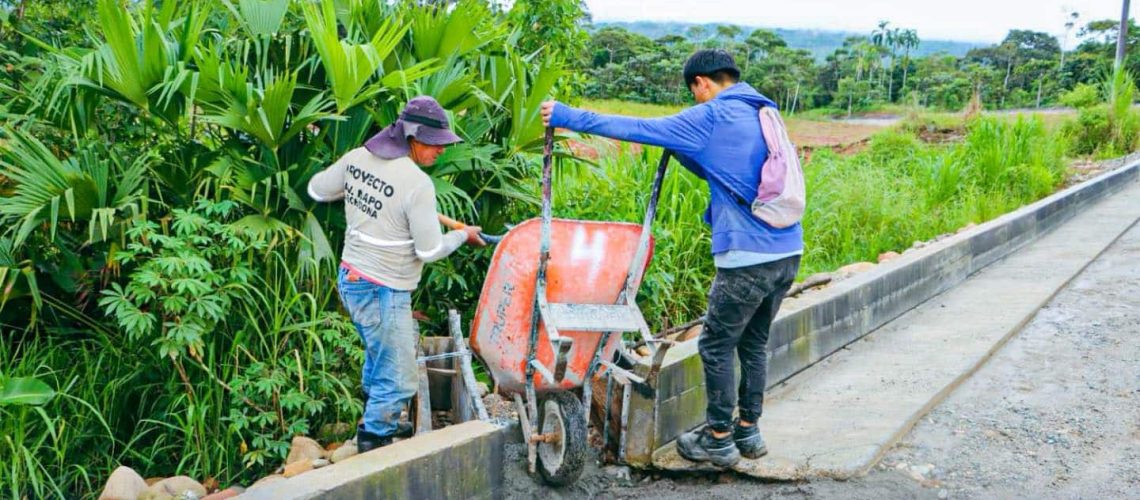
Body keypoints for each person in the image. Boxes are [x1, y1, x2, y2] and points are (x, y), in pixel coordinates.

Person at [540, 49, 803, 467]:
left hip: (747, 257)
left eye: (694, 93)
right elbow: (730, 170)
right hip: (787, 252)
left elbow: (638, 127)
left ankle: (718, 437)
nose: (696, 100)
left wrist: (566, 115)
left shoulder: (713, 115)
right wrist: (681, 150)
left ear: (702, 83)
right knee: (753, 344)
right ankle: (748, 432)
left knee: (716, 345)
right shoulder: (762, 112)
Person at [308, 96, 485, 452]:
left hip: (351, 279)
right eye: (434, 144)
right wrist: (460, 235)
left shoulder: (357, 159)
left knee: (378, 355)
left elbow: (316, 188)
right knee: (400, 375)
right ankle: (374, 444)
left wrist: (362, 189)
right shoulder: (417, 184)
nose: (440, 152)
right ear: (412, 137)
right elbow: (429, 250)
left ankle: (380, 420)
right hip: (382, 288)